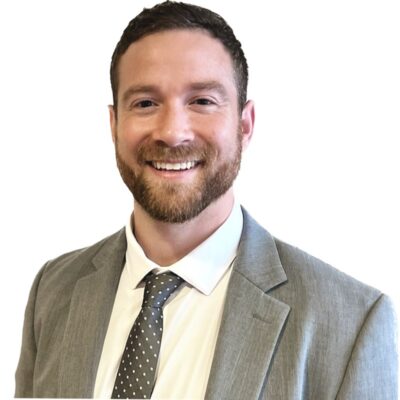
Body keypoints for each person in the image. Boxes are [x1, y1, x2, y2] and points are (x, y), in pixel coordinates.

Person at [15, 1, 398, 399]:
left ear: (244, 125)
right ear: (114, 125)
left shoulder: (351, 324)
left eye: (202, 101)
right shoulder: (54, 290)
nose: (172, 132)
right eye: (145, 103)